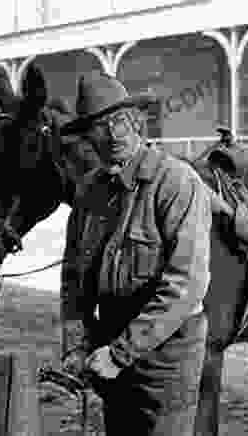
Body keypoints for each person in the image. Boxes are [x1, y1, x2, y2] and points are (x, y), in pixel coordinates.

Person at [59, 72, 212, 435]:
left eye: (120, 120)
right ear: (87, 137)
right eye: (100, 126)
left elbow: (185, 286)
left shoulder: (176, 183)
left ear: (138, 121)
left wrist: (119, 354)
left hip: (166, 360)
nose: (113, 135)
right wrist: (77, 346)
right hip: (111, 350)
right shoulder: (89, 193)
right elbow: (73, 280)